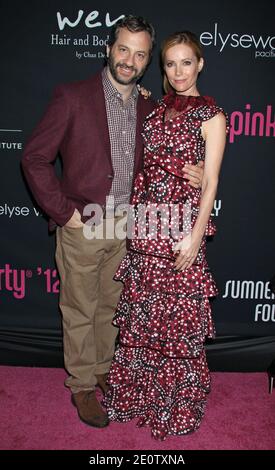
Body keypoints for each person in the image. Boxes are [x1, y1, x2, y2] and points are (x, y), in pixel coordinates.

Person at [21, 17, 203, 429]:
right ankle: (83, 384)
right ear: (108, 48)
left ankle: (103, 369)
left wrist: (196, 172)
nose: (130, 60)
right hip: (83, 222)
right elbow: (33, 158)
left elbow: (167, 157)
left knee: (110, 306)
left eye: (140, 54)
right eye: (124, 49)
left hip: (128, 227)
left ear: (145, 63)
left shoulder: (148, 106)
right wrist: (64, 213)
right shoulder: (72, 96)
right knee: (80, 309)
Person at [103, 30, 228, 440]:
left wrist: (194, 238)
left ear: (200, 64)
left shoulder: (212, 118)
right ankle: (138, 394)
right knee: (143, 319)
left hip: (179, 232)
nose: (178, 71)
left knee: (176, 323)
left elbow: (209, 184)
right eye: (170, 63)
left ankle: (173, 400)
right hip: (146, 228)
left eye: (186, 62)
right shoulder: (154, 110)